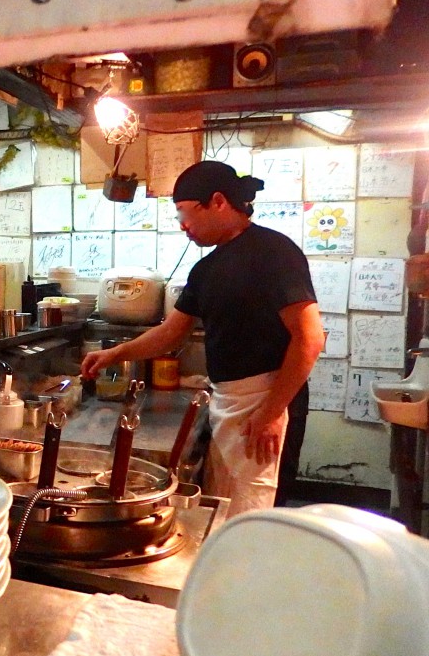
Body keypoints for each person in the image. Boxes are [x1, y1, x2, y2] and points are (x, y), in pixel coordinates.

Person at [81, 161, 324, 516]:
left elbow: (309, 339)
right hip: (228, 400)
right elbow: (170, 333)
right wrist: (115, 354)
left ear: (218, 201)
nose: (183, 227)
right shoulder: (205, 269)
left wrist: (271, 412)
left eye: (185, 214)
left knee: (257, 514)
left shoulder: (274, 253)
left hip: (268, 398)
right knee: (225, 507)